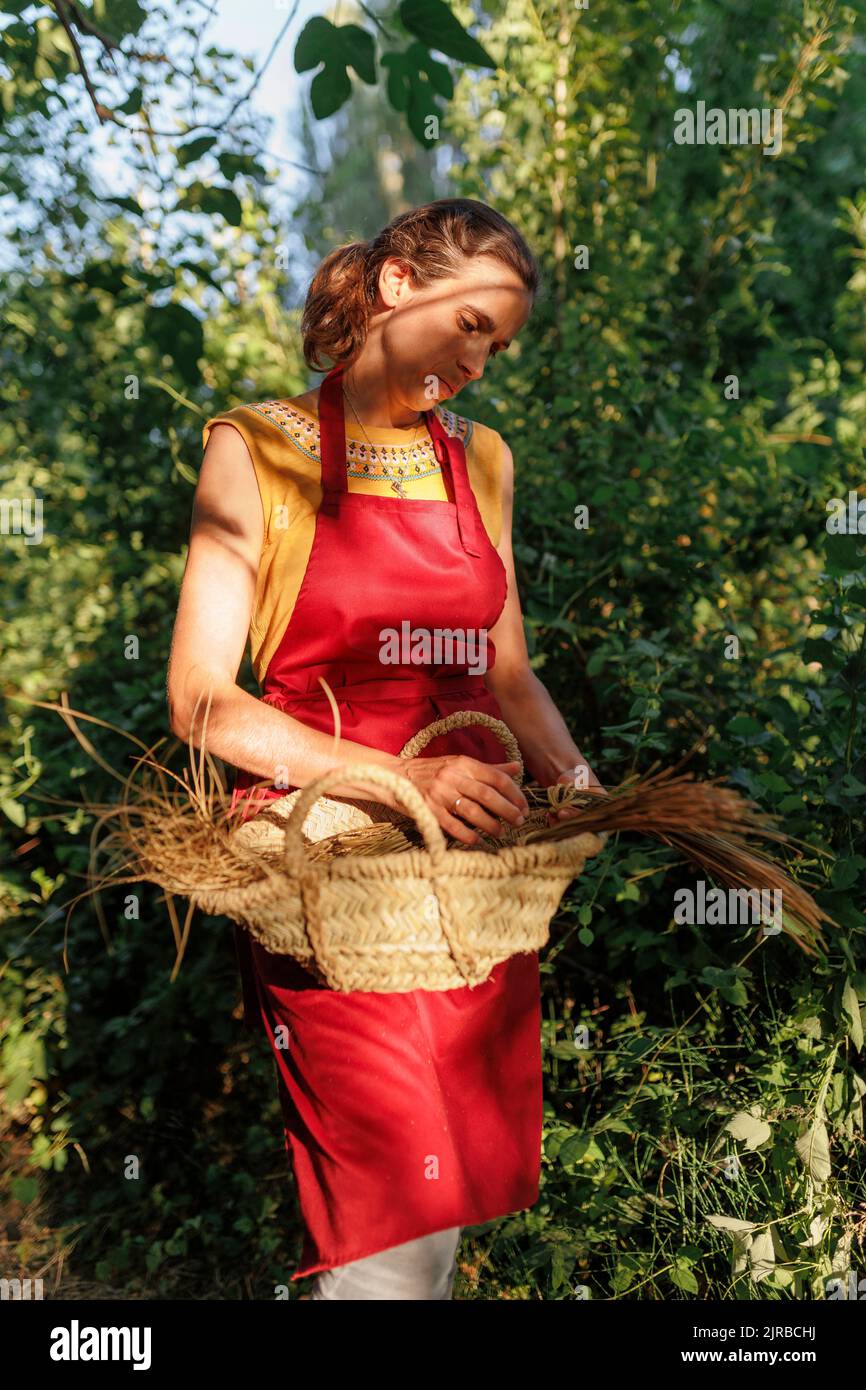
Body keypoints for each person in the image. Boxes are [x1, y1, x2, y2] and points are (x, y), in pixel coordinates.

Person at [167, 197, 605, 1300]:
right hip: (333, 872)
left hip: (471, 877)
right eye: (470, 326)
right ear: (398, 286)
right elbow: (201, 702)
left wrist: (585, 791)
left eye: (497, 347)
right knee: (381, 1227)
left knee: (441, 1205)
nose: (479, 364)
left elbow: (505, 673)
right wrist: (400, 777)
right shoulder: (256, 448)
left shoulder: (482, 461)